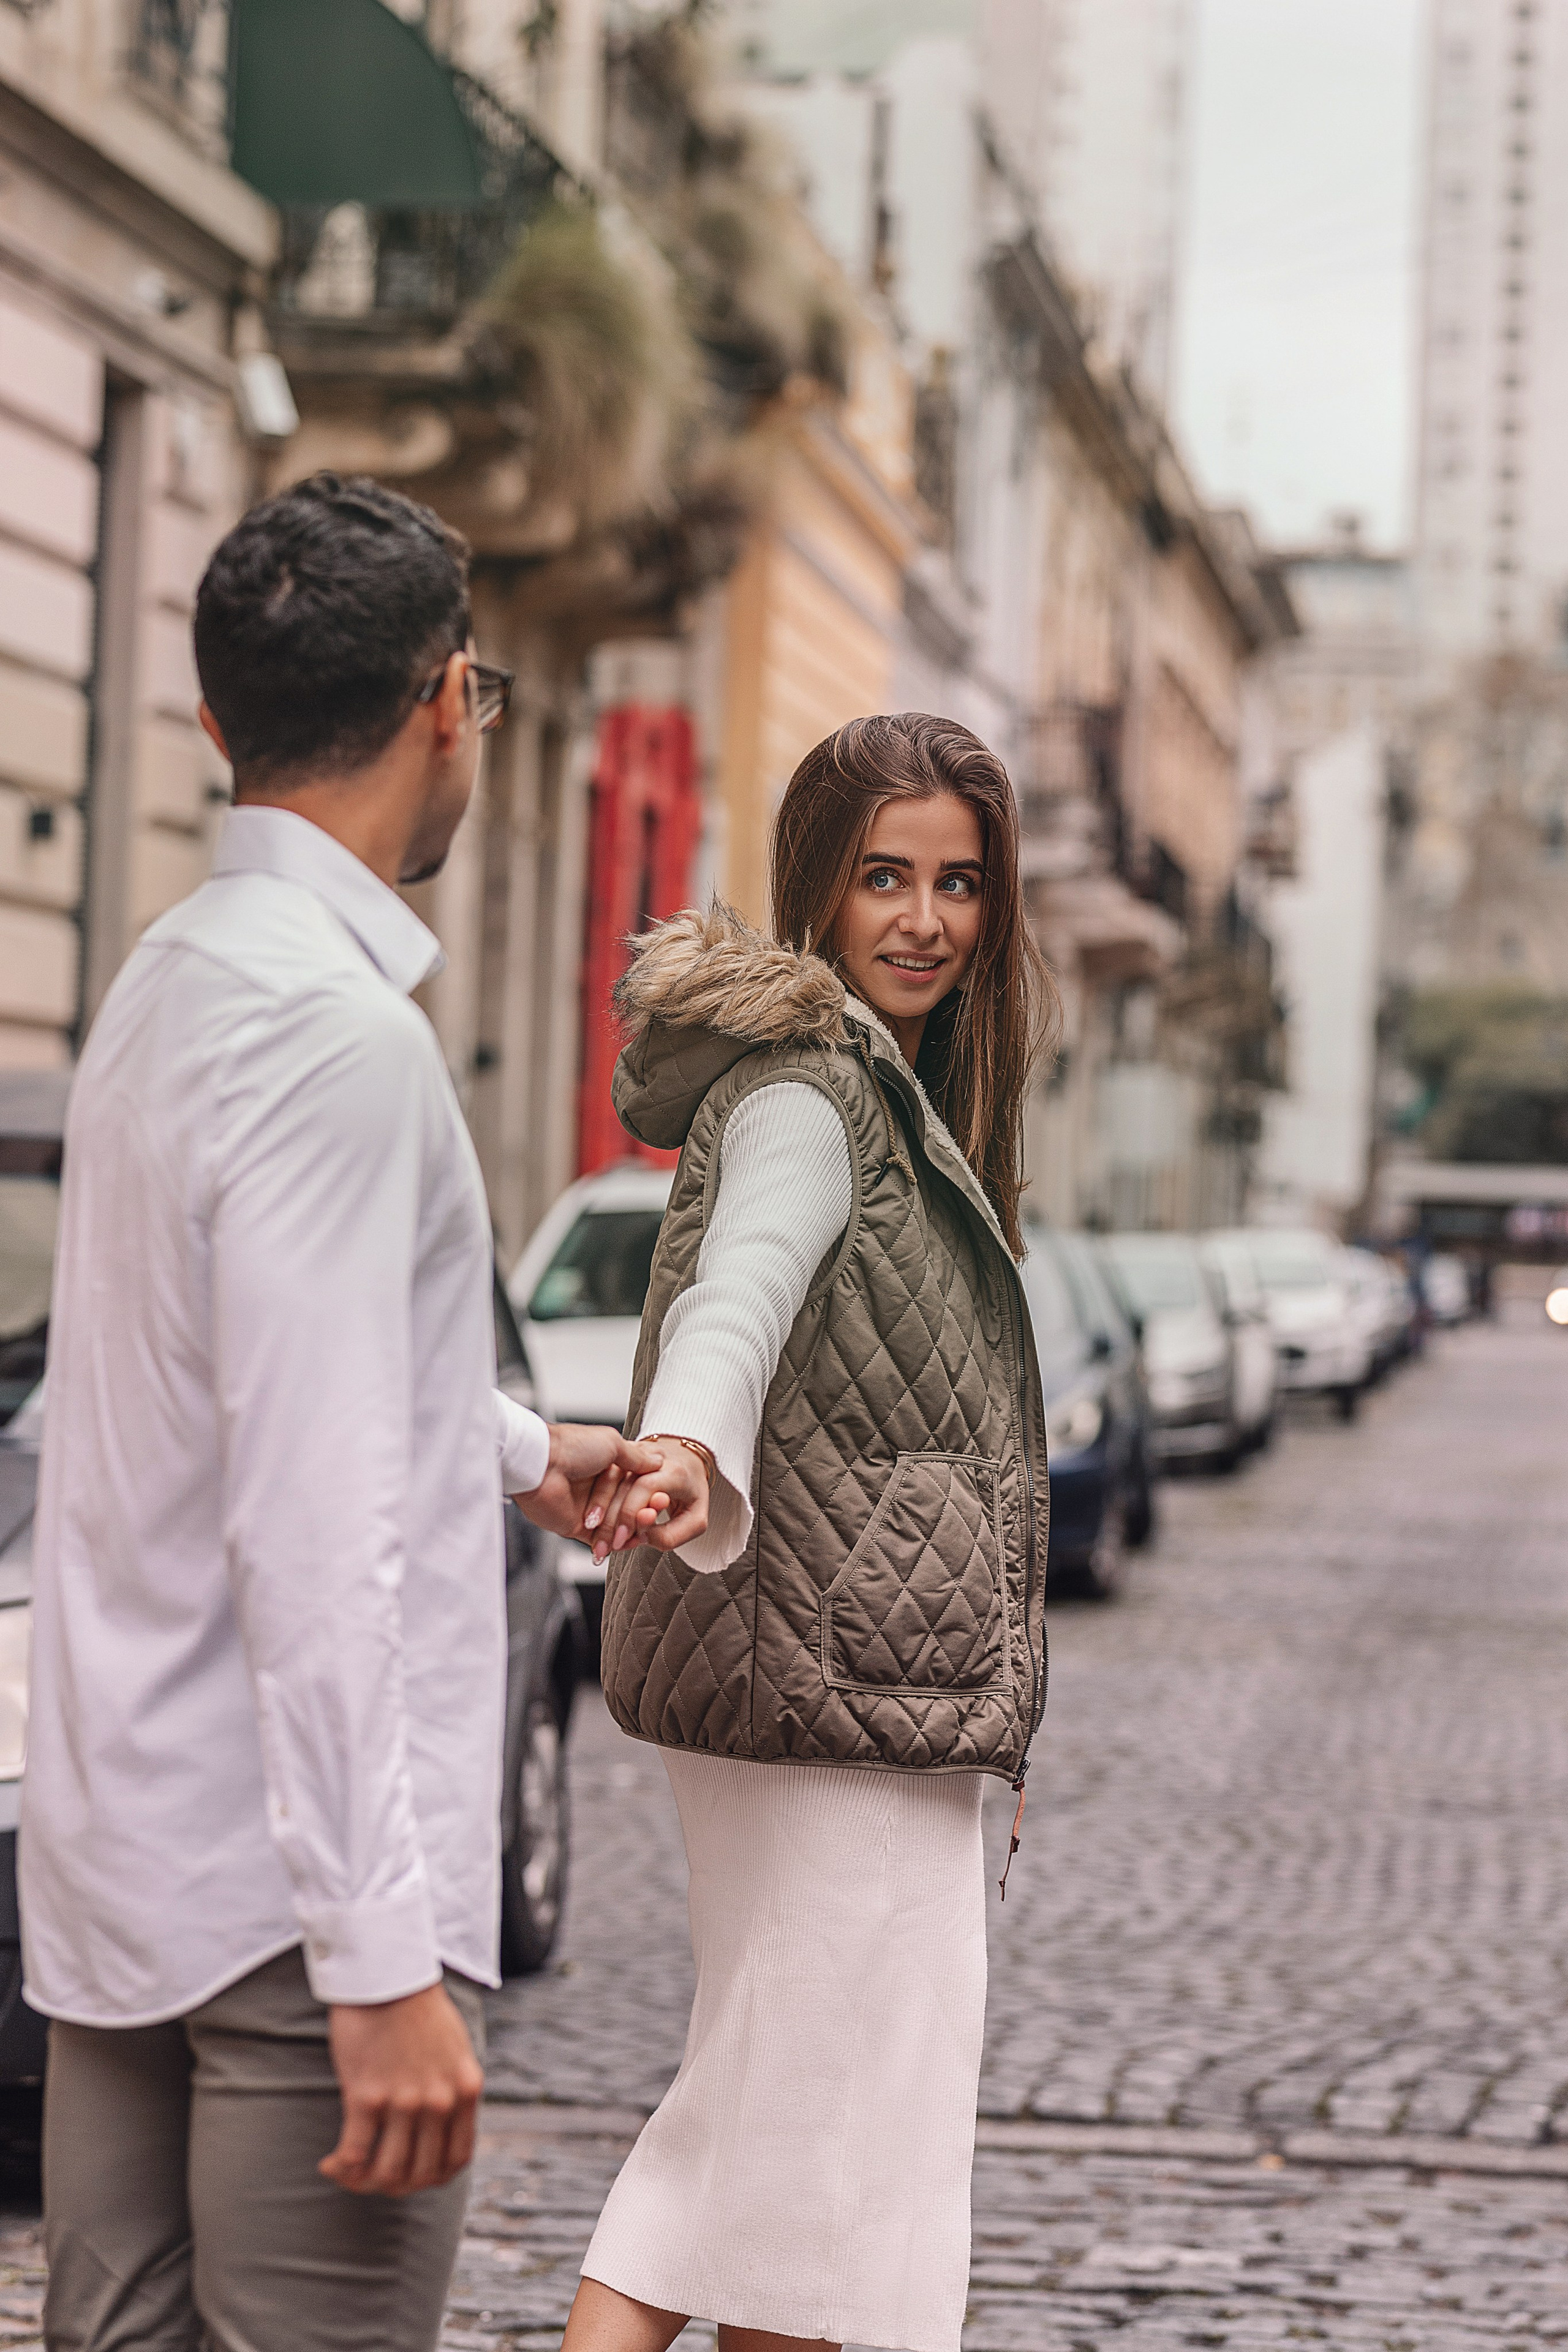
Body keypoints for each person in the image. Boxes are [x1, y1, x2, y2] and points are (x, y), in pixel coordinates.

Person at [22, 474, 667, 2352]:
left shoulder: (162, 988)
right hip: (291, 1913)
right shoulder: (336, 1035)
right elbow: (311, 1522)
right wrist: (382, 1964)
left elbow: (207, 1376)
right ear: (447, 701)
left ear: (219, 724)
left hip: (129, 1872)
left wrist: (522, 1452)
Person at [561, 713, 1058, 2352]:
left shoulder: (899, 1100)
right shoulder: (813, 1088)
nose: (924, 919)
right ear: (818, 891)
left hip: (873, 1689)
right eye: (884, 878)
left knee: (804, 2156)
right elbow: (742, 1284)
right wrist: (691, 1440)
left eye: (959, 883)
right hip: (829, 1694)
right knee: (775, 2144)